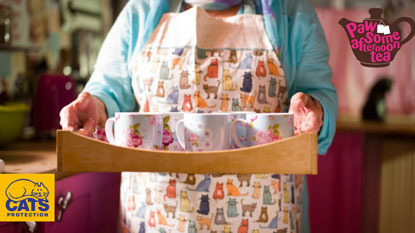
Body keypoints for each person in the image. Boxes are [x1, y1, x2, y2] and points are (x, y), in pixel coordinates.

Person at [60, 0, 338, 232]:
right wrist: (95, 105)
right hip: (156, 218)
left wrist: (315, 110)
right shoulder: (141, 12)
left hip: (266, 220)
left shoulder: (291, 13)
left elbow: (319, 95)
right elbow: (109, 88)